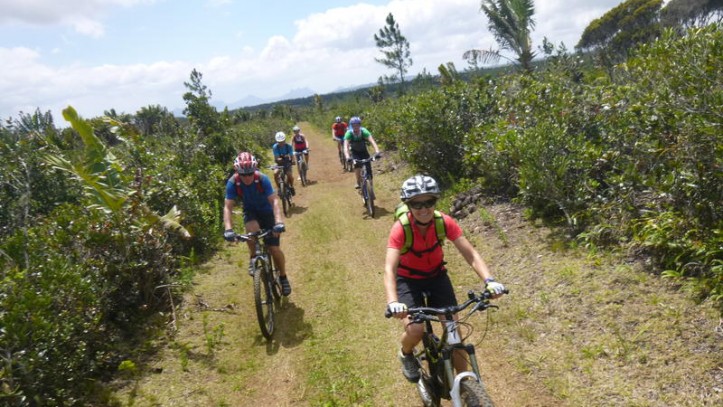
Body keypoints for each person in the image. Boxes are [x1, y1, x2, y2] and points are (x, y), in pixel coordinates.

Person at [384, 175, 506, 382]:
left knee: (454, 334)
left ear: (435, 201)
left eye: (429, 202)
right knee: (415, 329)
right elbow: (389, 268)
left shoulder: (444, 222)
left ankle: (466, 387)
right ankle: (406, 354)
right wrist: (393, 302)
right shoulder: (401, 228)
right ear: (409, 205)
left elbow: (471, 254)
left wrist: (490, 281)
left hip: (436, 277)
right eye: (416, 203)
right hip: (407, 280)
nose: (423, 209)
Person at [223, 152, 291, 296]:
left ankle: (283, 277)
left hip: (267, 213)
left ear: (254, 170)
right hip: (251, 212)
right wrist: (228, 229)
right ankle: (253, 257)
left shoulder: (262, 179)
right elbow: (228, 207)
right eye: (243, 174)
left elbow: (274, 201)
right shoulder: (233, 182)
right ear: (237, 172)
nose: (247, 177)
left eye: (250, 173)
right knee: (251, 232)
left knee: (274, 249)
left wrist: (278, 221)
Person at [343, 116, 381, 190]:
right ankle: (358, 182)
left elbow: (372, 141)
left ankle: (371, 188)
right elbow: (345, 146)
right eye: (354, 125)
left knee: (369, 169)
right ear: (351, 125)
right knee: (357, 167)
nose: (356, 126)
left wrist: (377, 152)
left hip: (364, 151)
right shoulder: (349, 133)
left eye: (357, 125)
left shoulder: (364, 131)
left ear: (360, 125)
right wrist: (347, 157)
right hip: (355, 152)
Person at [272, 131, 295, 196]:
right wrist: (280, 159)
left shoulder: (289, 146)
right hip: (278, 163)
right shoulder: (275, 147)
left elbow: (292, 156)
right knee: (275, 173)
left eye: (282, 141)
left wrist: (293, 161)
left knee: (289, 175)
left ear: (284, 140)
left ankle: (291, 186)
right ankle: (279, 188)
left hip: (287, 163)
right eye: (279, 142)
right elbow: (276, 158)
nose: (281, 143)